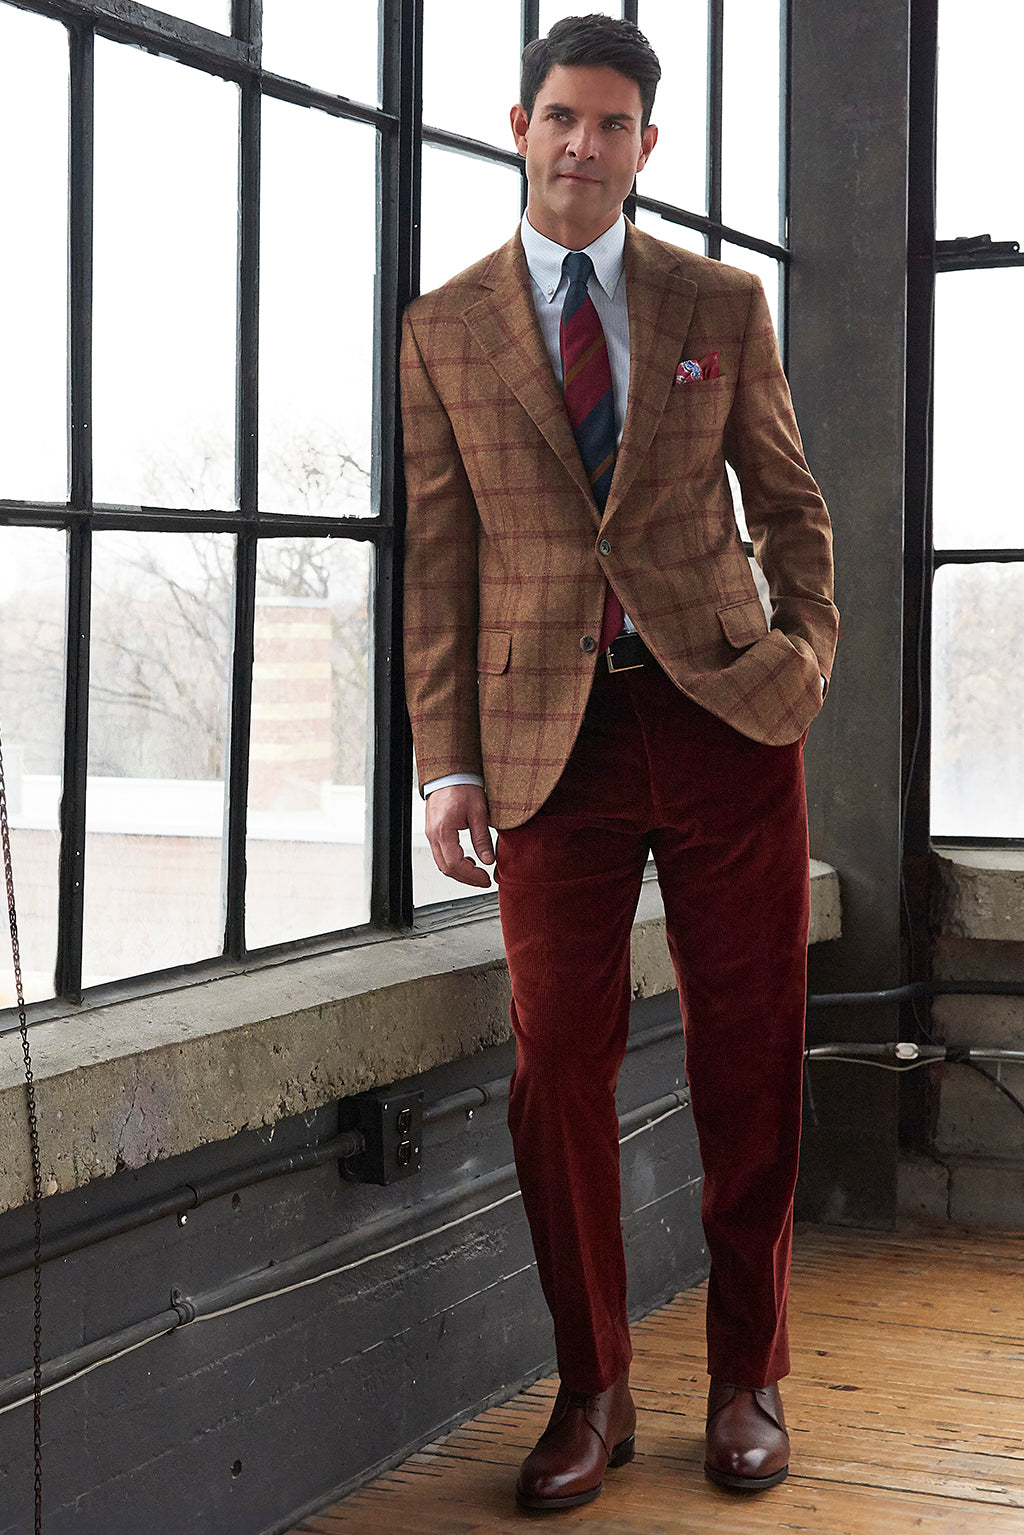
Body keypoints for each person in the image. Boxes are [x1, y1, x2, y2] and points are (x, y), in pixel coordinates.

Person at [401, 12, 838, 1514]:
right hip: (547, 753)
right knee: (556, 1072)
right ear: (518, 125)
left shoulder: (719, 299)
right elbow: (438, 562)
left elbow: (789, 500)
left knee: (750, 1057)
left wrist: (805, 653)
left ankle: (747, 1379)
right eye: (560, 117)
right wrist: (446, 765)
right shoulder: (444, 328)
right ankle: (592, 1389)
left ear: (647, 146)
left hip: (725, 723)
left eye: (610, 124)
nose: (581, 145)